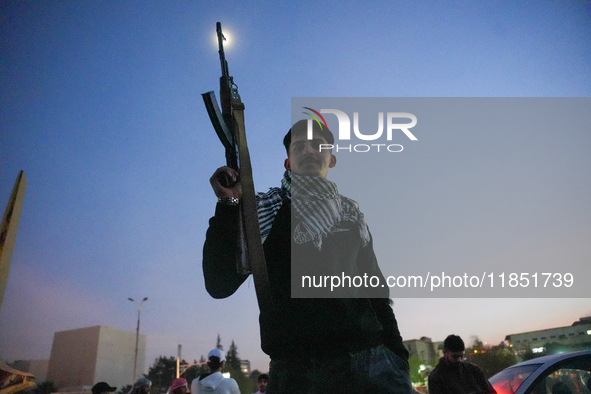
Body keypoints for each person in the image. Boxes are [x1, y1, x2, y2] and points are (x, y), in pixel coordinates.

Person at [203, 120, 412, 392]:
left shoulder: (352, 216)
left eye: (318, 145)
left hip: (370, 365)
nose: (309, 150)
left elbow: (377, 292)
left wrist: (398, 358)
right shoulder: (262, 213)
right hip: (297, 373)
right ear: (288, 162)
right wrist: (229, 205)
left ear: (332, 159)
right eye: (299, 146)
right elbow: (219, 284)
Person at [428, 334, 496, 394]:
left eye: (461, 356)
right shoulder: (435, 378)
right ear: (445, 353)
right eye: (455, 356)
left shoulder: (474, 370)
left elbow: (490, 391)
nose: (459, 359)